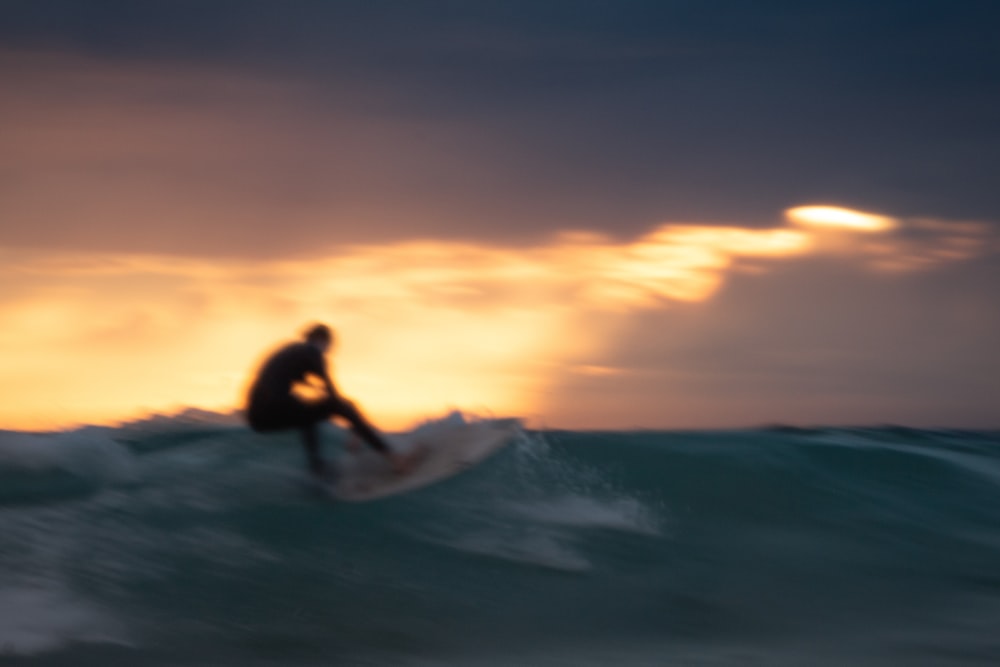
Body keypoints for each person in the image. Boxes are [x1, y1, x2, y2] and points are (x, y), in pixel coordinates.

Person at [246, 324, 416, 479]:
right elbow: (334, 398)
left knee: (305, 413)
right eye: (329, 347)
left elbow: (311, 390)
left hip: (257, 416)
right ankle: (395, 459)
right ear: (322, 341)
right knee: (340, 406)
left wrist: (352, 423)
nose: (328, 353)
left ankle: (316, 472)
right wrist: (354, 420)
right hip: (272, 406)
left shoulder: (293, 352)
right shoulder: (313, 352)